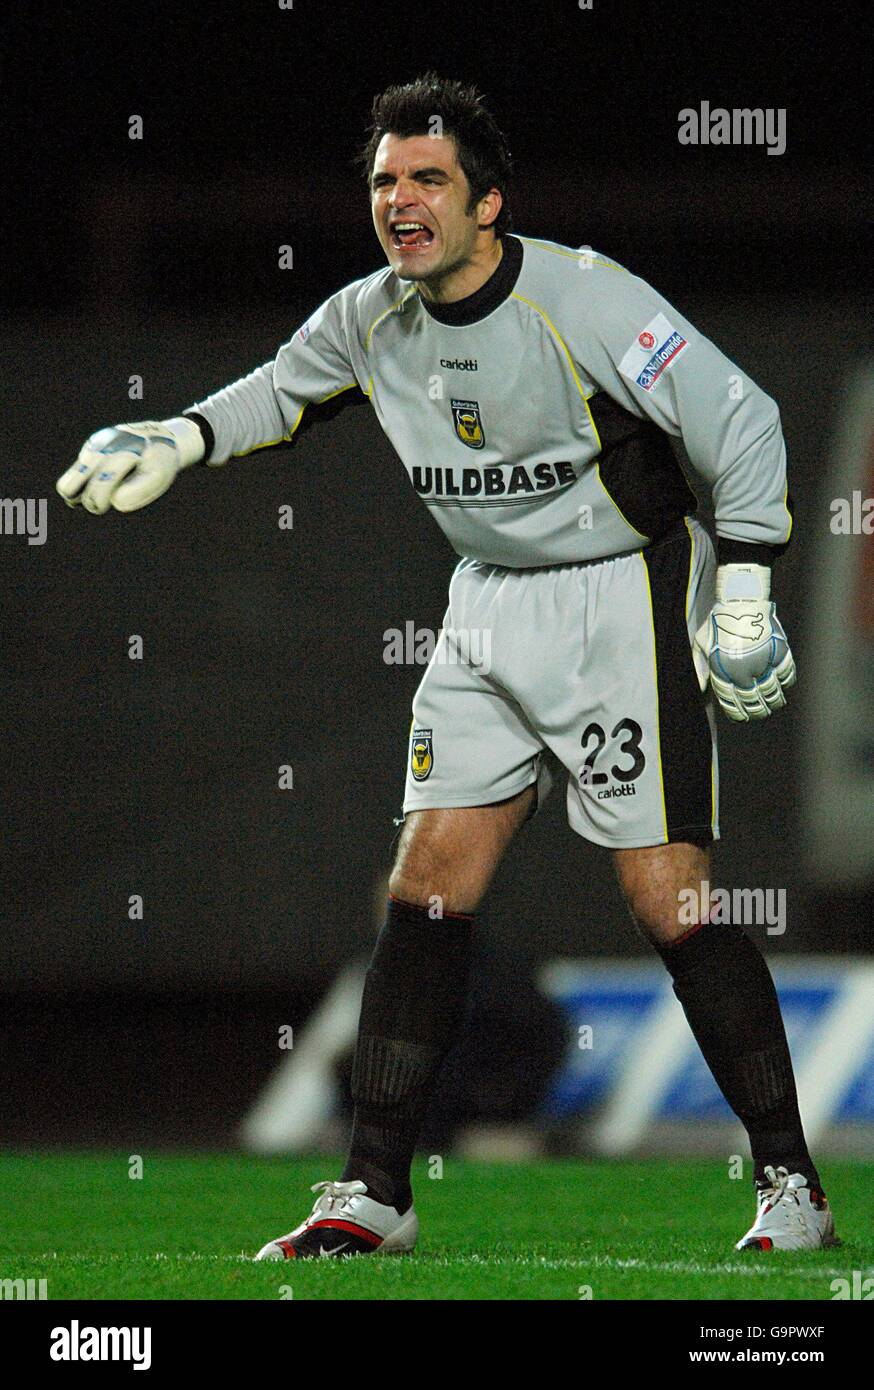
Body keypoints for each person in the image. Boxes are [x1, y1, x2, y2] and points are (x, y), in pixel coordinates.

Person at [57, 74, 835, 1258]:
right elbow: (279, 389)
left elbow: (742, 418)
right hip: (481, 612)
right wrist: (181, 434)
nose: (401, 201)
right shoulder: (368, 315)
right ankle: (373, 1192)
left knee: (666, 901)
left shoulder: (582, 295)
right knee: (425, 887)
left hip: (614, 598)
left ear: (488, 205)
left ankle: (791, 1185)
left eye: (428, 180)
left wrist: (741, 589)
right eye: (384, 181)